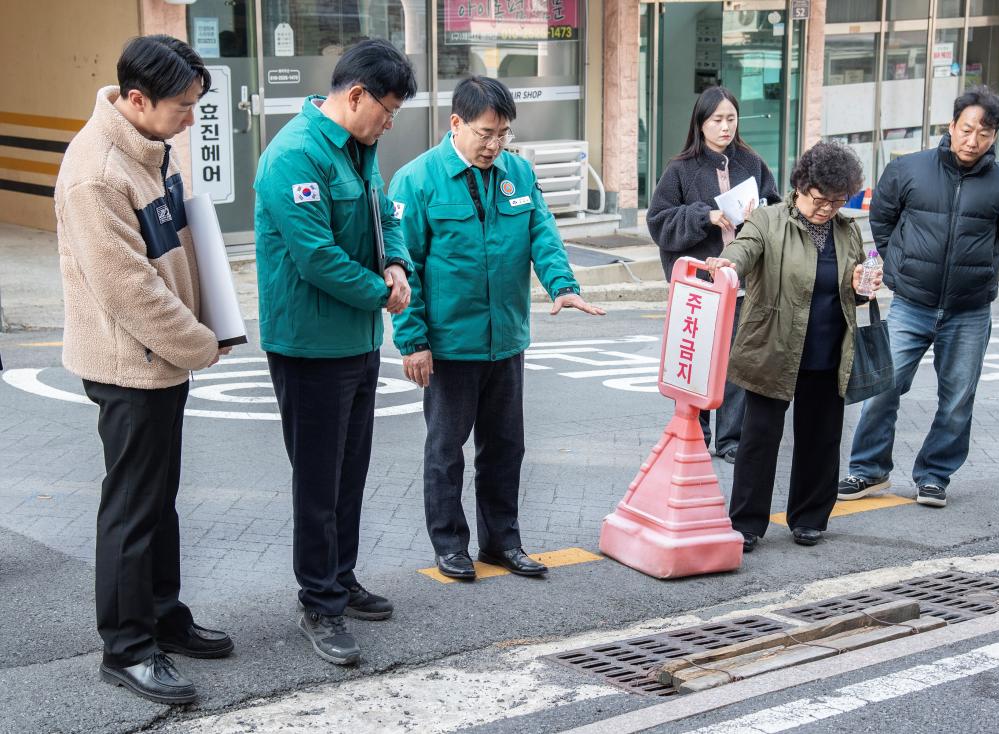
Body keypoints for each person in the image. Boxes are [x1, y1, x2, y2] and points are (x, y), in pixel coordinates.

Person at [55, 35, 234, 705]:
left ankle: (163, 615)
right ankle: (126, 648)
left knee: (159, 500)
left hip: (164, 359)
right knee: (131, 508)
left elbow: (177, 246)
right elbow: (129, 288)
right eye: (184, 106)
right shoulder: (96, 173)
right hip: (129, 364)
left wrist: (210, 322)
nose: (192, 117)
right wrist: (198, 341)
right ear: (137, 100)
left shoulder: (152, 147)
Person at [389, 76, 605, 581]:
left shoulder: (518, 174)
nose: (494, 144)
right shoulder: (418, 180)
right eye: (486, 133)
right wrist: (413, 341)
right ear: (456, 124)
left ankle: (502, 542)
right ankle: (450, 544)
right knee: (446, 451)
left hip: (505, 340)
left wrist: (562, 285)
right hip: (449, 345)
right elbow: (402, 267)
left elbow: (542, 233)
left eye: (503, 134)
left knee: (505, 449)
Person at [253, 38, 416, 666]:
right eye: (388, 109)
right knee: (319, 478)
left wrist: (397, 260)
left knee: (351, 469)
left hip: (355, 339)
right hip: (309, 342)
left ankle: (342, 578)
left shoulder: (360, 147)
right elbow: (317, 257)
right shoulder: (293, 155)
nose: (390, 122)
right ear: (355, 96)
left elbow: (385, 215)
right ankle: (318, 601)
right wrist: (383, 291)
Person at [838, 86, 999, 508]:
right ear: (951, 125)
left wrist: (979, 271)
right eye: (966, 130)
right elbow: (883, 219)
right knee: (882, 387)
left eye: (983, 133)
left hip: (970, 310)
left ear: (994, 136)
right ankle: (869, 471)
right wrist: (899, 262)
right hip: (911, 303)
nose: (972, 140)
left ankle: (934, 475)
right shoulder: (909, 169)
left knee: (958, 397)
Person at [705, 141, 878, 552]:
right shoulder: (768, 220)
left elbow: (854, 291)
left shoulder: (848, 231)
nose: (827, 209)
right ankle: (746, 522)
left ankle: (810, 517)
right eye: (820, 200)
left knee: (820, 438)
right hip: (773, 346)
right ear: (801, 186)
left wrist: (863, 288)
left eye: (837, 201)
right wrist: (728, 263)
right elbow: (744, 249)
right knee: (758, 440)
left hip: (827, 349)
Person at [648, 87, 779, 465]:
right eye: (716, 120)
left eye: (731, 119)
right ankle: (695, 430)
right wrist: (703, 215)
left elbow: (775, 205)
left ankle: (731, 438)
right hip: (700, 284)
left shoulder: (752, 162)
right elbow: (658, 221)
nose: (724, 127)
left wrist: (762, 213)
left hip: (742, 281)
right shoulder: (681, 169)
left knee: (737, 360)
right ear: (700, 123)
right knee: (697, 358)